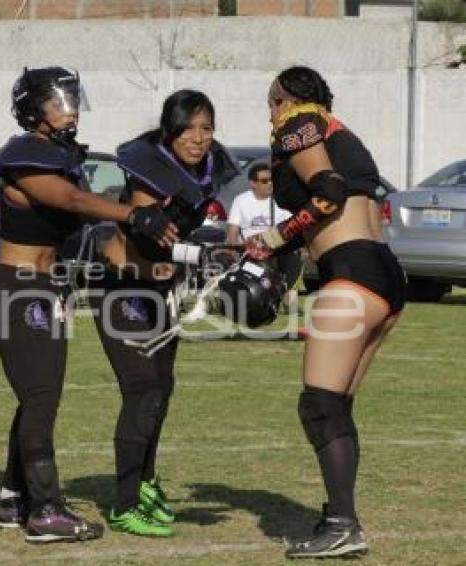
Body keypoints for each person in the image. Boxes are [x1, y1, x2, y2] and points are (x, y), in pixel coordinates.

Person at [0, 66, 177, 544]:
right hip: (17, 286)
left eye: (71, 98)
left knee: (36, 396)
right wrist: (132, 212)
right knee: (42, 397)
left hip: (44, 287)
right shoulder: (25, 152)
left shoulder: (60, 155)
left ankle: (14, 497)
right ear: (32, 110)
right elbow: (68, 199)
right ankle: (45, 510)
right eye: (57, 101)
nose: (69, 109)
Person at [245, 66, 406, 559]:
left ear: (287, 97)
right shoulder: (337, 130)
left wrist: (273, 238)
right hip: (381, 273)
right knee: (335, 406)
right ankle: (340, 516)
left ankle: (342, 523)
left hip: (352, 271)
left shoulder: (299, 120)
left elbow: (329, 193)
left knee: (318, 405)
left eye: (271, 102)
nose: (270, 114)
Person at [91, 90, 235, 537]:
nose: (198, 138)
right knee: (142, 391)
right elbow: (131, 250)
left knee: (160, 392)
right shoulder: (147, 176)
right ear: (168, 130)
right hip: (122, 287)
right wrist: (199, 256)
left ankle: (146, 480)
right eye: (188, 128)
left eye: (206, 128)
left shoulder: (202, 170)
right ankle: (124, 504)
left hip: (158, 290)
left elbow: (177, 253)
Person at [227, 163, 302, 312]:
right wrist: (233, 251)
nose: (270, 184)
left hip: (277, 247)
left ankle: (290, 301)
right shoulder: (241, 201)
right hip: (251, 250)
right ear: (252, 183)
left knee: (292, 258)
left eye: (271, 180)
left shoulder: (280, 201)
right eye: (264, 181)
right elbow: (232, 232)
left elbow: (291, 229)